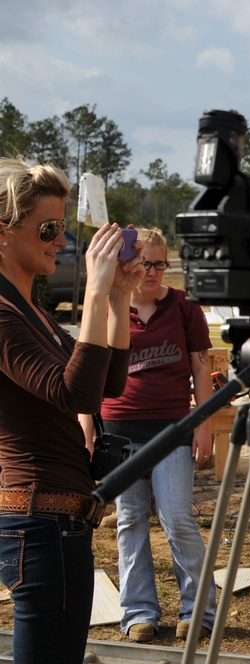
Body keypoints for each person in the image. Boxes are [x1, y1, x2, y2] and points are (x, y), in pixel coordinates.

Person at [0, 157, 143, 663]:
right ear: (3, 232)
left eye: (61, 228)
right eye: (48, 228)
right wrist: (96, 290)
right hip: (39, 521)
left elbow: (107, 381)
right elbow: (73, 395)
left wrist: (119, 299)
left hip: (57, 521)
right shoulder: (2, 315)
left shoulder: (30, 309)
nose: (61, 241)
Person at [81, 227, 217, 643]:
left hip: (172, 430)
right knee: (130, 520)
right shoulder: (108, 307)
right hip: (120, 433)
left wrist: (204, 425)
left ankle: (199, 610)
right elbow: (91, 371)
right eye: (145, 263)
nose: (152, 271)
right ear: (129, 264)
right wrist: (86, 429)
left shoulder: (184, 308)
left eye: (160, 263)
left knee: (176, 517)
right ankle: (139, 613)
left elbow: (200, 367)